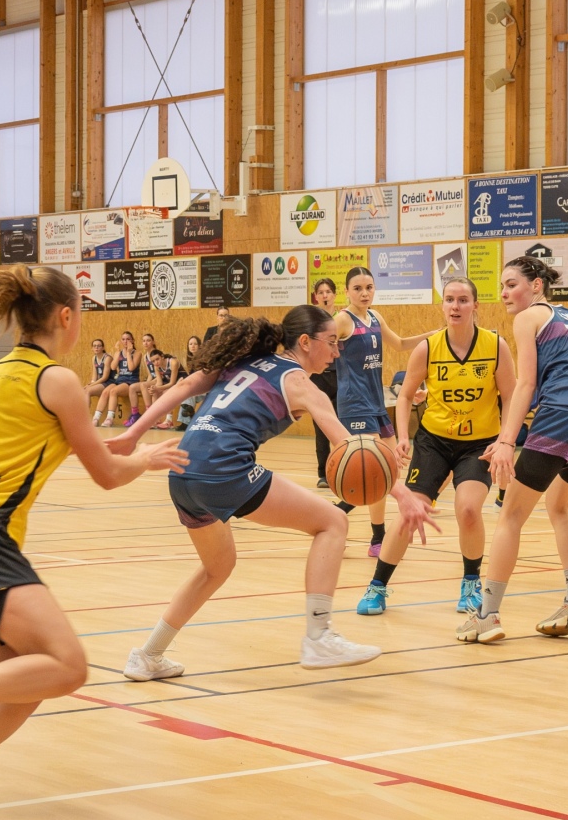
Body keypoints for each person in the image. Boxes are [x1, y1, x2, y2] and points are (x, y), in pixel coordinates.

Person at [0, 266, 187, 820]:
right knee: (68, 666)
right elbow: (106, 473)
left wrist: (131, 443)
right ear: (66, 317)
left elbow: (72, 443)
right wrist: (144, 461)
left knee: (27, 681)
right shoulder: (60, 380)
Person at [111, 308, 435, 683]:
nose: (336, 352)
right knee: (333, 521)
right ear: (305, 342)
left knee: (217, 567)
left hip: (182, 470)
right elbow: (351, 447)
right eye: (331, 342)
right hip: (224, 468)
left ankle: (148, 655)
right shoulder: (301, 384)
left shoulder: (244, 360)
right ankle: (319, 637)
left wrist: (133, 434)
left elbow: (185, 387)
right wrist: (404, 495)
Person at [459, 254, 568, 644]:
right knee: (559, 506)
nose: (504, 293)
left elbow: (526, 383)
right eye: (501, 286)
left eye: (511, 284)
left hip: (566, 411)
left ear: (536, 286)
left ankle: (487, 615)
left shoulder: (527, 317)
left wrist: (506, 441)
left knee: (511, 515)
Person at [358, 277, 515, 616]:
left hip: (479, 444)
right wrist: (402, 436)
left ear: (475, 306)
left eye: (463, 300)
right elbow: (404, 396)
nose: (455, 306)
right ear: (442, 306)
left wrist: (506, 441)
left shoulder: (495, 346)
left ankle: (470, 583)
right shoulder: (428, 348)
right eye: (449, 300)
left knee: (469, 510)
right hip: (434, 441)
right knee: (410, 511)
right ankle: (377, 586)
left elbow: (511, 397)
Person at [334, 267, 422, 556]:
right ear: (347, 291)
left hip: (376, 403)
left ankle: (369, 534)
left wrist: (435, 336)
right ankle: (338, 519)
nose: (364, 293)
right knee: (375, 469)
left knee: (389, 470)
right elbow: (320, 346)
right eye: (358, 288)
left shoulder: (375, 317)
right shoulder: (342, 320)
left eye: (369, 287)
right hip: (354, 405)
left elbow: (400, 344)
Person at [308, 277, 339, 489]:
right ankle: (323, 474)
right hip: (318, 377)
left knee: (340, 425)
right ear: (316, 297)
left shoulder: (341, 319)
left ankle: (342, 471)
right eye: (321, 292)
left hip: (339, 376)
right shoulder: (312, 322)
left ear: (335, 295)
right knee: (321, 427)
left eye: (328, 292)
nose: (325, 295)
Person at [93, 331, 140, 427]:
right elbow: (113, 367)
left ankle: (109, 419)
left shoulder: (137, 353)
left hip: (131, 381)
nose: (125, 341)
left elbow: (131, 368)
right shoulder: (118, 353)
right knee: (105, 392)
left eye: (128, 339)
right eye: (123, 339)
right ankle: (96, 418)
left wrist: (128, 352)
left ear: (132, 341)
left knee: (113, 391)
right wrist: (118, 353)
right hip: (120, 380)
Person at [175, 335, 204, 430]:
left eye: (195, 344)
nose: (193, 346)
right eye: (190, 344)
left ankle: (187, 418)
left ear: (200, 346)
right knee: (186, 392)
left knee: (189, 391)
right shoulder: (190, 361)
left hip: (206, 388)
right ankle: (188, 412)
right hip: (197, 388)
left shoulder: (204, 359)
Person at [83, 338, 110, 407]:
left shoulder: (107, 358)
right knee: (83, 390)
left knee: (88, 391)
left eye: (99, 346)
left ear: (103, 348)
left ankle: (86, 413)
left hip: (109, 382)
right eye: (94, 346)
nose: (96, 348)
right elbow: (94, 375)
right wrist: (91, 383)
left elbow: (105, 377)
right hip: (100, 382)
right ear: (92, 348)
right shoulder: (94, 358)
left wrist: (91, 385)